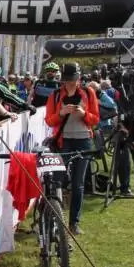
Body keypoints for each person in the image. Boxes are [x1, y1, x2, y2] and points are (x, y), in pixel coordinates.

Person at [44, 62, 99, 235]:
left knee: (78, 183)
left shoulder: (88, 93)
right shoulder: (55, 95)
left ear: (79, 77)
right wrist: (61, 113)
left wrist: (84, 114)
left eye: (73, 79)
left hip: (83, 140)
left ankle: (74, 222)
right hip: (63, 141)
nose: (70, 83)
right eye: (67, 80)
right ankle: (56, 220)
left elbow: (95, 119)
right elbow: (49, 121)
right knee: (58, 180)